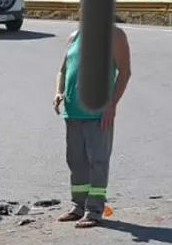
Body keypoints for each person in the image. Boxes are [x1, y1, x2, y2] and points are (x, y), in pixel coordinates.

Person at [53, 25, 132, 228]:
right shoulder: (74, 37)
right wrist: (59, 92)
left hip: (98, 113)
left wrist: (112, 104)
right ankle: (78, 206)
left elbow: (124, 72)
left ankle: (94, 210)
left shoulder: (114, 35)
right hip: (73, 112)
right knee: (76, 160)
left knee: (97, 161)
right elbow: (62, 70)